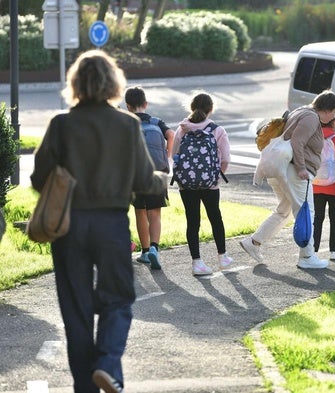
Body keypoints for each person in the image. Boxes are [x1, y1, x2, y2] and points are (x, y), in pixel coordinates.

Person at [30, 50, 167, 393]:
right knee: (118, 298)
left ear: (75, 83)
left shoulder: (61, 125)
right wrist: (162, 180)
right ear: (113, 83)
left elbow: (38, 178)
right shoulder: (127, 124)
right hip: (111, 225)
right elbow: (142, 181)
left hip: (69, 226)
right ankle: (107, 363)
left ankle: (84, 387)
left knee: (75, 308)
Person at [240, 90, 335, 269]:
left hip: (282, 169)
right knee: (306, 212)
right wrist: (302, 167)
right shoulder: (311, 118)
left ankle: (254, 242)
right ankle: (307, 256)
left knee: (284, 212)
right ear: (326, 110)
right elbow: (298, 142)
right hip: (295, 172)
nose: (334, 116)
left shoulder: (300, 111)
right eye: (334, 112)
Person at [172, 92, 234, 276]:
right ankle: (222, 256)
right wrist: (215, 174)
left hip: (186, 184)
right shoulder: (217, 130)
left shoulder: (182, 129)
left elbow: (175, 156)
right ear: (210, 109)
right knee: (215, 217)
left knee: (192, 221)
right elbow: (226, 159)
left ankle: (197, 263)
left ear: (191, 108)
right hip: (210, 184)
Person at [125, 86, 174, 270]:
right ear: (145, 104)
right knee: (155, 212)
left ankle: (145, 252)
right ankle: (154, 248)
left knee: (140, 212)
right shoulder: (156, 121)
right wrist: (166, 156)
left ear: (128, 106)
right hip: (157, 171)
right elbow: (172, 135)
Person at [312, 113, 335, 261]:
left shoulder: (314, 139)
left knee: (317, 218)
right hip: (333, 187)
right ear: (334, 122)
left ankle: (313, 250)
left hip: (316, 185)